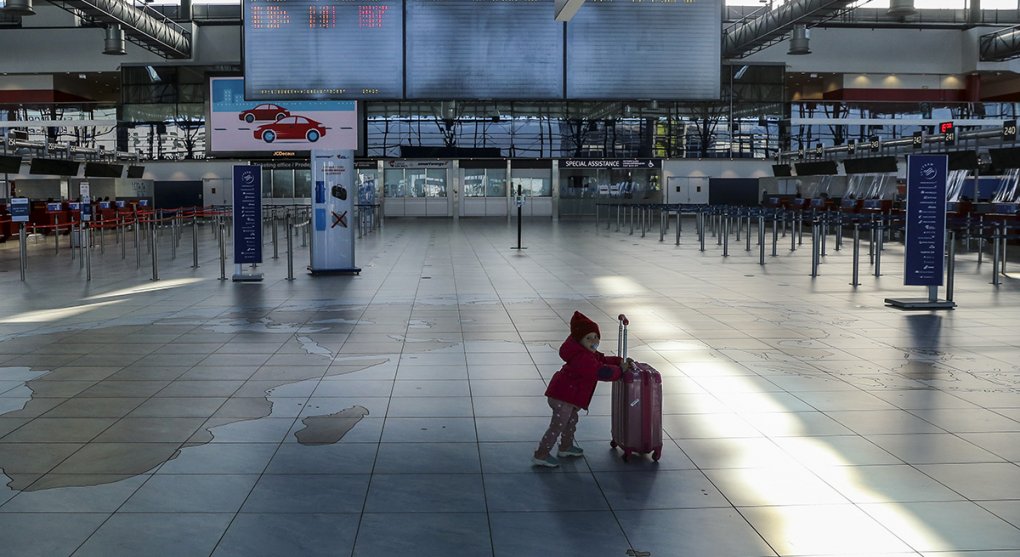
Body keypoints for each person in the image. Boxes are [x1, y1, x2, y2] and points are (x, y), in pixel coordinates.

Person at [533, 311, 631, 468]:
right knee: (557, 426)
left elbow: (602, 360)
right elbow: (600, 371)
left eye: (596, 337)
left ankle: (565, 447)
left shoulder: (587, 353)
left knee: (571, 421)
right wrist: (620, 371)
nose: (594, 341)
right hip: (563, 396)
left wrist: (619, 361)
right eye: (589, 338)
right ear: (579, 340)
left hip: (569, 397)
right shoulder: (582, 358)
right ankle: (541, 454)